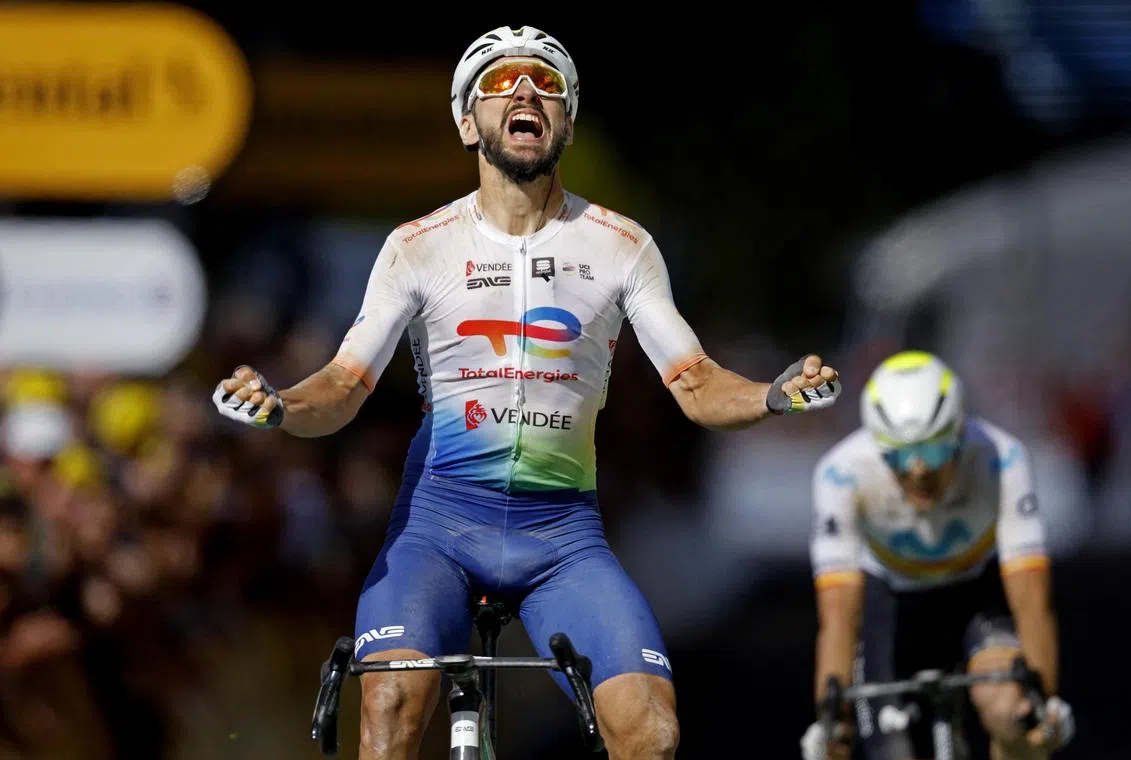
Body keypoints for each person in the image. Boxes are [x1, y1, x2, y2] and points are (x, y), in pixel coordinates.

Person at [212, 25, 842, 760]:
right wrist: (282, 403)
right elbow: (344, 386)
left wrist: (772, 394)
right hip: (437, 530)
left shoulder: (620, 245)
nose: (524, 93)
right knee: (388, 708)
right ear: (466, 120)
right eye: (500, 82)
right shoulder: (418, 245)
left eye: (547, 85)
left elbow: (697, 385)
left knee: (652, 732)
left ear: (567, 121)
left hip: (561, 541)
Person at [799, 351, 1075, 760]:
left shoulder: (1003, 458)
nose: (917, 471)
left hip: (975, 593)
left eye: (932, 452)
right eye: (897, 455)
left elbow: (1031, 600)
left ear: (958, 433)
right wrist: (830, 718)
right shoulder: (840, 473)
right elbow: (839, 614)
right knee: (890, 751)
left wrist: (1045, 701)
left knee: (1015, 715)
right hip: (889, 602)